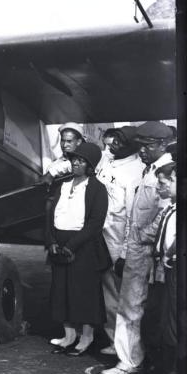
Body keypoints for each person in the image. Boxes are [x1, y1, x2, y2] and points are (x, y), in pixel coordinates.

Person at [101, 121, 174, 374]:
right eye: (140, 146)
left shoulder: (162, 173)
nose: (141, 151)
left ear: (163, 145)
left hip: (144, 251)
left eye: (148, 146)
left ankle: (129, 361)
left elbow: (166, 213)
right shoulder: (150, 169)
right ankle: (137, 357)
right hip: (137, 250)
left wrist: (142, 238)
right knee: (135, 307)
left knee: (131, 307)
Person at [45, 142, 110, 357]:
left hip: (83, 246)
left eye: (81, 161)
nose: (75, 164)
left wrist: (71, 246)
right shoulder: (62, 185)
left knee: (83, 292)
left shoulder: (97, 189)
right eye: (74, 160)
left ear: (90, 166)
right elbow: (50, 215)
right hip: (59, 242)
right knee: (62, 290)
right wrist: (51, 240)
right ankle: (69, 335)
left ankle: (86, 337)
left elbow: (95, 224)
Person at [94, 126, 145, 355]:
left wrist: (124, 254)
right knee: (106, 295)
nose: (113, 144)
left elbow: (132, 217)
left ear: (131, 146)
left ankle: (125, 348)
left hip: (116, 242)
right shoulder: (108, 159)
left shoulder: (135, 172)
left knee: (120, 298)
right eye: (113, 140)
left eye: (119, 142)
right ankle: (112, 339)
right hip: (98, 236)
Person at [139, 162, 177, 374]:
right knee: (160, 318)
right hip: (162, 271)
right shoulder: (169, 209)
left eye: (167, 182)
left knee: (172, 320)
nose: (163, 187)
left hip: (173, 270)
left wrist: (170, 254)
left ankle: (174, 372)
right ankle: (165, 366)